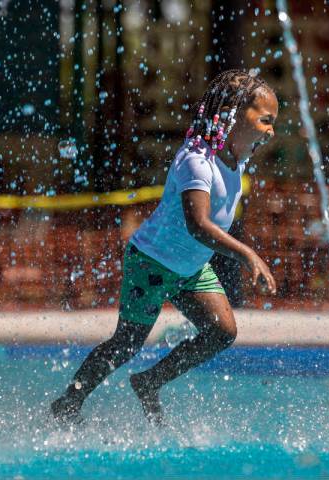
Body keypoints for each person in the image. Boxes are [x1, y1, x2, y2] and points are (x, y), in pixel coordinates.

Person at [51, 69, 279, 426]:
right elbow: (198, 224)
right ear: (233, 114)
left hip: (191, 269)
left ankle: (149, 382)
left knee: (222, 332)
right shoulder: (197, 160)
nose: (271, 131)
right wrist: (248, 254)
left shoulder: (237, 161)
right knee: (126, 344)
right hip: (152, 263)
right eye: (265, 120)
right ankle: (70, 400)